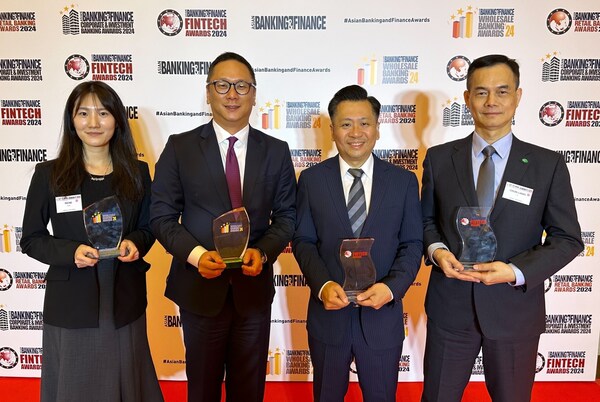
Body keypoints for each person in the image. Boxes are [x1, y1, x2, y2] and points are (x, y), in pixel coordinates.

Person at [420, 54, 584, 402]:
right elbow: (426, 222)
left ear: (518, 97)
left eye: (501, 91)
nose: (491, 101)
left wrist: (513, 271)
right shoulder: (438, 158)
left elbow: (567, 239)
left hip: (514, 312)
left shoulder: (547, 165)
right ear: (466, 99)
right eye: (480, 92)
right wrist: (438, 252)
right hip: (452, 308)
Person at [149, 52, 296, 402]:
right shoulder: (180, 148)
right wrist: (197, 256)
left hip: (252, 290)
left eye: (242, 85)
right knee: (202, 388)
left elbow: (288, 216)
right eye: (223, 85)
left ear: (255, 94)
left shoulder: (276, 151)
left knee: (249, 389)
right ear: (208, 92)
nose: (232, 93)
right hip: (199, 289)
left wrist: (263, 251)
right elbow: (161, 216)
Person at [20, 81, 163, 402]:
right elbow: (31, 239)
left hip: (124, 298)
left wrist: (136, 243)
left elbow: (150, 227)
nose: (94, 123)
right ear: (72, 120)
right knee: (76, 384)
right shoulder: (49, 174)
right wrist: (71, 252)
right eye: (83, 113)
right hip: (72, 300)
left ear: (117, 120)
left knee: (127, 378)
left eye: (103, 113)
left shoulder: (138, 173)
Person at [293, 85, 423, 402]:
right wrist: (323, 285)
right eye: (346, 123)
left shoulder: (403, 181)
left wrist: (391, 288)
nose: (356, 132)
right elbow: (303, 241)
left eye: (365, 123)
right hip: (329, 317)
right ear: (332, 129)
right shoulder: (311, 180)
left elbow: (413, 243)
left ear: (378, 129)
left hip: (382, 317)